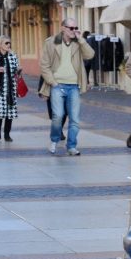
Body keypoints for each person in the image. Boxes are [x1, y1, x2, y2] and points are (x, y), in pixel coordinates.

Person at [40, 17, 95, 156]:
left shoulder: (78, 43)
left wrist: (81, 39)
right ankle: (54, 140)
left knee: (75, 119)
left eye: (76, 28)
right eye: (71, 28)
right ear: (63, 28)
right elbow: (44, 65)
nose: (74, 30)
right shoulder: (51, 42)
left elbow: (90, 55)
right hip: (57, 85)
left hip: (74, 86)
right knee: (58, 115)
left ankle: (71, 146)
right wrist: (53, 82)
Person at [0, 36, 20, 142]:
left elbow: (16, 71)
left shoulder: (12, 56)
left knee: (10, 111)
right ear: (0, 44)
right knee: (0, 110)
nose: (8, 45)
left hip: (11, 88)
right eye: (6, 43)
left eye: (9, 43)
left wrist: (18, 70)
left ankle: (7, 134)